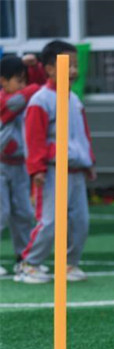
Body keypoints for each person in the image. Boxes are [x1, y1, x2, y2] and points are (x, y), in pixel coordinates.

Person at [17, 40, 95, 284]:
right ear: (49, 68)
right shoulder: (41, 100)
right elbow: (34, 138)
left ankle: (69, 263)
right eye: (68, 65)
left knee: (80, 221)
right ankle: (29, 264)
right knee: (50, 221)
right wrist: (37, 169)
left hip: (76, 169)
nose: (73, 70)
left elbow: (82, 134)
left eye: (75, 65)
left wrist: (89, 161)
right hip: (52, 170)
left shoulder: (74, 99)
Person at [0, 55, 39, 277]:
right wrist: (35, 80)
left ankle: (23, 258)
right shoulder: (6, 100)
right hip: (1, 165)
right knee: (1, 213)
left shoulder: (25, 100)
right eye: (18, 80)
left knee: (24, 213)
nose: (23, 85)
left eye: (25, 80)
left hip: (20, 165)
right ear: (3, 81)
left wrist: (34, 68)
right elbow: (34, 90)